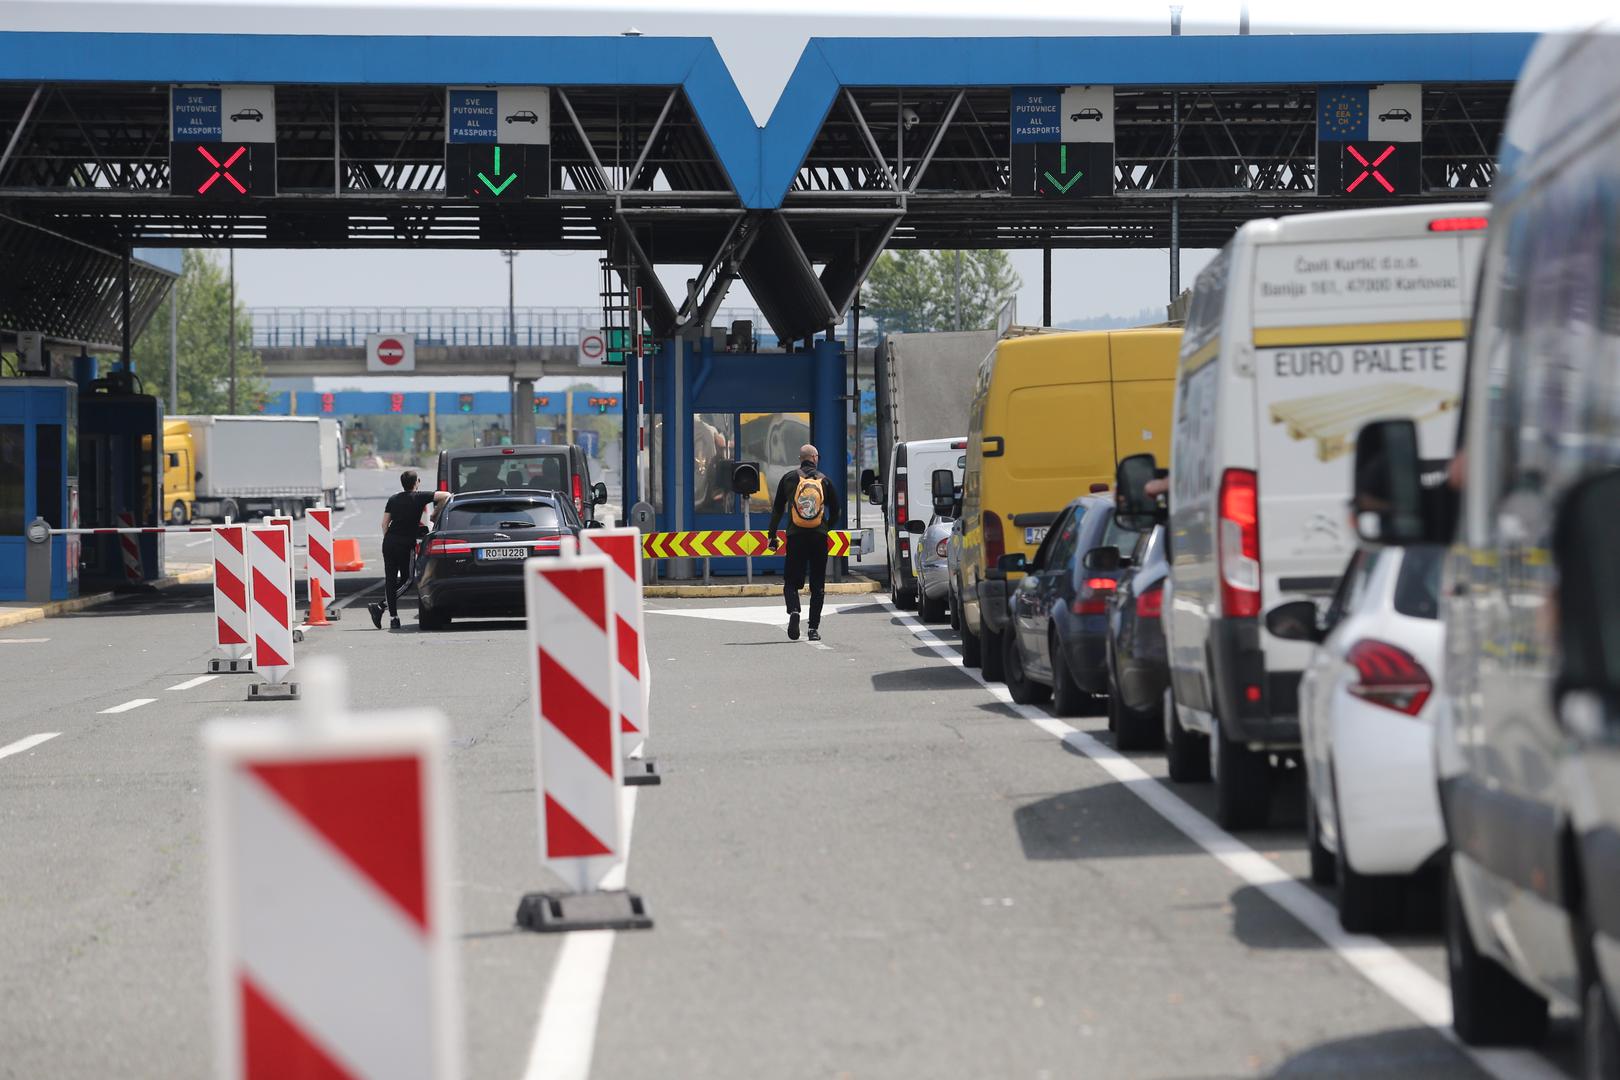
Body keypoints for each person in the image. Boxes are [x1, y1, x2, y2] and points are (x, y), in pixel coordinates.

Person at [766, 443, 839, 641]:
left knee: (791, 581)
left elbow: (777, 509)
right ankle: (813, 629)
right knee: (818, 584)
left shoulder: (789, 478)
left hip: (796, 537)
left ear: (801, 459)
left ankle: (794, 611)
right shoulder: (825, 480)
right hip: (818, 538)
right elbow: (836, 510)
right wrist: (826, 527)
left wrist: (772, 535)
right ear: (815, 458)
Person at [370, 470, 449, 629]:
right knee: (407, 580)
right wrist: (435, 514)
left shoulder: (393, 499)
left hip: (389, 542)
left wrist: (389, 539)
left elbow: (384, 524)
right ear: (416, 482)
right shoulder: (420, 497)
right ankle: (380, 606)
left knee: (390, 580)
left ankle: (393, 618)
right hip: (405, 544)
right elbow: (446, 495)